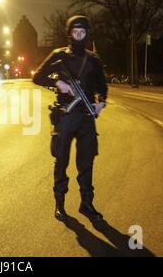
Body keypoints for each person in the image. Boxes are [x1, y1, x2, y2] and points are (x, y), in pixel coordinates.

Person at [33, 15, 108, 222]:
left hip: (85, 118)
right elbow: (37, 77)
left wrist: (100, 102)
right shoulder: (60, 56)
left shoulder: (94, 59)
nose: (78, 36)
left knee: (86, 162)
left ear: (87, 34)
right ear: (69, 34)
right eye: (75, 32)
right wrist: (57, 84)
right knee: (62, 161)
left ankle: (87, 203)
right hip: (65, 116)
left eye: (82, 33)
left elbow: (102, 87)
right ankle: (60, 204)